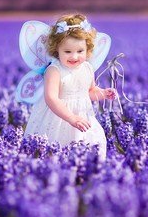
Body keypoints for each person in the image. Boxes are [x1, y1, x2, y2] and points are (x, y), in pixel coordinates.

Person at [23, 14, 116, 159]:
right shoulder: (54, 71)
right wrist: (71, 117)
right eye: (67, 52)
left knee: (88, 146)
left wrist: (103, 93)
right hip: (58, 118)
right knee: (55, 151)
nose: (74, 56)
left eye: (80, 51)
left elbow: (90, 91)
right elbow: (51, 99)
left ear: (88, 49)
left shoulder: (87, 68)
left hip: (83, 117)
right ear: (56, 50)